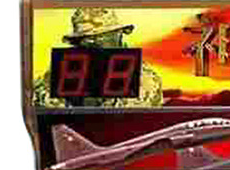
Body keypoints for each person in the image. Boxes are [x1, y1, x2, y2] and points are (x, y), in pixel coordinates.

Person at [33, 8, 163, 108]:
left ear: (118, 35)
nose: (90, 42)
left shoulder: (144, 78)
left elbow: (125, 117)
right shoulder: (61, 72)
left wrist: (94, 101)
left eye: (100, 36)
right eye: (83, 39)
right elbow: (42, 103)